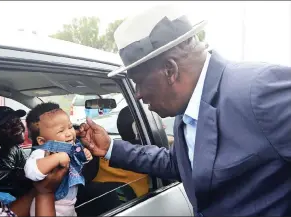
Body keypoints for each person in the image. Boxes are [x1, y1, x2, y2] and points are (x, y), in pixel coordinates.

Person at [77, 3, 291, 216]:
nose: (138, 94)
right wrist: (111, 147)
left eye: (139, 82)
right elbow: (178, 162)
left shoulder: (259, 92)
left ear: (170, 70)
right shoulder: (186, 109)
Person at [25, 102, 93, 216]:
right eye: (61, 131)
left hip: (70, 205)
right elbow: (31, 171)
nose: (69, 133)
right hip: (51, 206)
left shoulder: (71, 147)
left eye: (70, 127)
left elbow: (78, 160)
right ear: (42, 141)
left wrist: (85, 155)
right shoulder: (41, 152)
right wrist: (56, 158)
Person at [0, 106, 32, 198]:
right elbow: (8, 183)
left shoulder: (13, 146)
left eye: (18, 120)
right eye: (10, 123)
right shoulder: (6, 150)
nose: (19, 125)